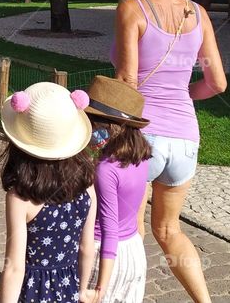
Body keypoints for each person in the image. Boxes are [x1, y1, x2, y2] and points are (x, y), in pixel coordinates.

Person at [114, 0, 226, 303]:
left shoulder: (132, 9)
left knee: (131, 229)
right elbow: (217, 83)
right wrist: (185, 93)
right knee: (169, 230)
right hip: (184, 139)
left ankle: (129, 296)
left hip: (141, 137)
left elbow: (128, 80)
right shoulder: (198, 14)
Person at [0, 82, 98, 303]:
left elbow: (14, 267)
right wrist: (82, 290)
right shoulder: (87, 185)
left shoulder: (21, 198)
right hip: (69, 288)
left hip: (34, 293)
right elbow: (87, 247)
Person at [82, 76, 153, 303]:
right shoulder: (140, 158)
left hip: (104, 256)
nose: (88, 128)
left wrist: (101, 287)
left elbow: (109, 229)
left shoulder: (105, 170)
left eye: (92, 122)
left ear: (111, 128)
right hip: (133, 251)